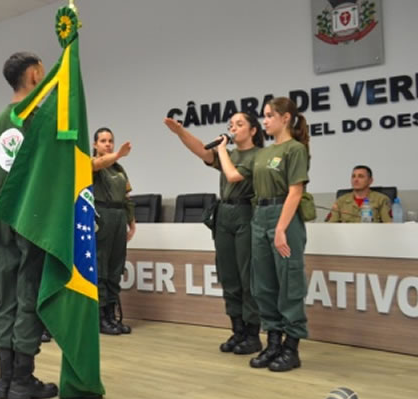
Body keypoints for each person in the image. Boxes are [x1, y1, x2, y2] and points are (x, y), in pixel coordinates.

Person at [0, 51, 58, 399]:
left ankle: (4, 380)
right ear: (35, 73)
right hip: (33, 218)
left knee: (6, 296)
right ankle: (22, 381)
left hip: (4, 217)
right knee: (28, 294)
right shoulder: (38, 118)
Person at [218, 98, 310, 372]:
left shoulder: (295, 149)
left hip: (284, 217)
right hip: (260, 217)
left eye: (270, 115)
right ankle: (272, 343)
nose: (265, 120)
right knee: (263, 285)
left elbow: (296, 191)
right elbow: (236, 176)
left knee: (289, 282)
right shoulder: (263, 153)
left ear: (285, 118)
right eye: (265, 115)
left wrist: (281, 229)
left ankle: (291, 348)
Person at [164, 112, 265, 355]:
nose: (233, 128)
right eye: (231, 125)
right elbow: (201, 150)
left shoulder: (259, 156)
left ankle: (252, 334)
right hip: (224, 214)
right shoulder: (227, 154)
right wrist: (180, 132)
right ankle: (237, 330)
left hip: (245, 214)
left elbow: (233, 175)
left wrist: (221, 149)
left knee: (246, 275)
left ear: (253, 130)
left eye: (240, 124)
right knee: (228, 274)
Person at [91, 127, 135, 336]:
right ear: (95, 145)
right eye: (103, 141)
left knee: (116, 268)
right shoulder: (92, 164)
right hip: (102, 215)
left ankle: (111, 314)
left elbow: (127, 198)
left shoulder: (119, 168)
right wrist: (117, 154)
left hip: (118, 217)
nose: (107, 144)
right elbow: (97, 164)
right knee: (101, 267)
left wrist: (131, 222)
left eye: (110, 141)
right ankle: (100, 318)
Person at [326, 166, 392, 223]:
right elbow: (330, 225)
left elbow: (389, 225)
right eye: (353, 176)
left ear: (370, 181)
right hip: (347, 236)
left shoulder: (381, 199)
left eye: (361, 176)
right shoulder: (341, 201)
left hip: (372, 236)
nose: (355, 180)